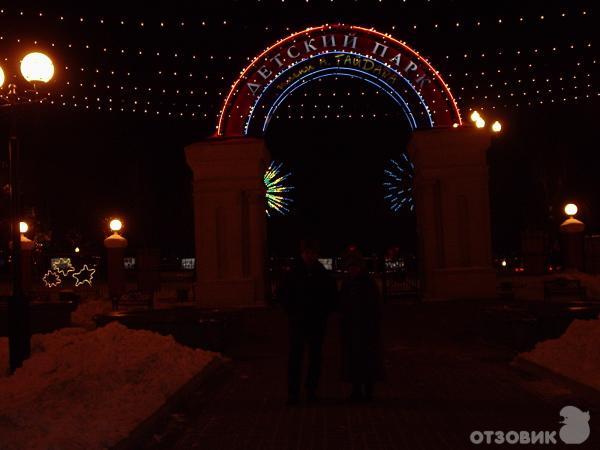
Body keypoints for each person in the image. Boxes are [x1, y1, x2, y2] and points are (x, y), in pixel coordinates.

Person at [276, 239, 337, 405]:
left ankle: (311, 390)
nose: (309, 255)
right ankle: (294, 392)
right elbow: (282, 295)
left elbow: (331, 296)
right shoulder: (294, 272)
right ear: (302, 253)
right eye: (307, 252)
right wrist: (292, 312)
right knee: (297, 357)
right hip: (299, 321)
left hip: (316, 322)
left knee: (314, 357)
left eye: (312, 253)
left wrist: (323, 313)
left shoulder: (320, 273)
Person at [339, 248, 383, 401]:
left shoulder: (367, 283)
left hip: (366, 328)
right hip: (352, 327)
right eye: (349, 267)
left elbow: (375, 306)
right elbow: (342, 304)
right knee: (354, 359)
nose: (352, 270)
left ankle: (368, 390)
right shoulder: (347, 283)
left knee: (367, 359)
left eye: (354, 267)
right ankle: (357, 389)